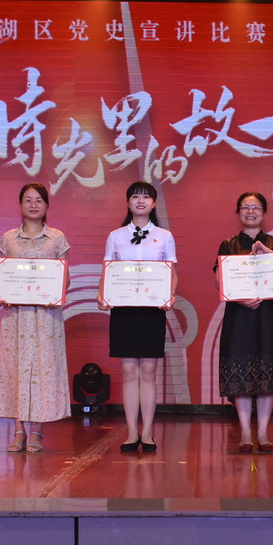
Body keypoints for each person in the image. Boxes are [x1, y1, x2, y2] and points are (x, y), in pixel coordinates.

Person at [99, 182, 177, 453]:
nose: (141, 201)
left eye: (146, 197)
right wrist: (101, 294)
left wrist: (170, 295)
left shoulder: (165, 236)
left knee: (149, 371)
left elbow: (171, 273)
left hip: (152, 309)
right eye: (135, 196)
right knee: (129, 371)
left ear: (154, 203)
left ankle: (148, 431)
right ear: (128, 202)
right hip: (123, 309)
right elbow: (108, 271)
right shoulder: (115, 236)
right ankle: (132, 432)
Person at [214, 192, 273, 453]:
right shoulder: (228, 244)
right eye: (245, 207)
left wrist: (267, 253)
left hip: (269, 316)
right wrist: (241, 299)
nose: (251, 212)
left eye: (256, 207)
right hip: (240, 316)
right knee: (241, 374)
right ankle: (246, 432)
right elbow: (220, 280)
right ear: (238, 212)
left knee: (266, 373)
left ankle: (263, 432)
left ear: (264, 212)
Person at [0, 183, 72, 453]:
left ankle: (38, 431)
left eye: (39, 200)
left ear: (47, 205)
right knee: (15, 368)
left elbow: (65, 278)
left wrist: (54, 287)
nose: (33, 205)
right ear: (20, 205)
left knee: (44, 368)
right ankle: (19, 431)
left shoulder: (57, 238)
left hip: (46, 315)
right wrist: (3, 292)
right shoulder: (8, 239)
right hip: (16, 315)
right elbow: (2, 276)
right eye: (27, 200)